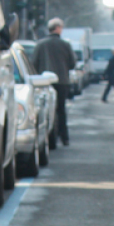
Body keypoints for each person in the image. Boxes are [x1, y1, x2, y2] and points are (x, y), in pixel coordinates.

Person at [32, 18, 76, 146]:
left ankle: (50, 137)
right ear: (57, 28)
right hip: (62, 81)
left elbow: (34, 63)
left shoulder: (40, 45)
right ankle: (64, 137)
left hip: (44, 82)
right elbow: (72, 63)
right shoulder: (65, 45)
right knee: (61, 109)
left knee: (45, 110)